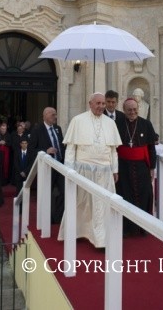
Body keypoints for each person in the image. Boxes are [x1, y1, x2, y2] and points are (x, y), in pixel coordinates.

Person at [58, 93, 121, 248]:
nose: (101, 106)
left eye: (103, 104)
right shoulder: (77, 120)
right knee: (81, 203)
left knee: (103, 205)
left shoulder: (110, 123)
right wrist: (69, 171)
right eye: (98, 103)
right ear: (90, 103)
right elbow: (71, 148)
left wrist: (115, 170)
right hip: (83, 170)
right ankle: (76, 232)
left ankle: (102, 239)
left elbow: (113, 150)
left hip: (104, 171)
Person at [116, 97, 157, 234]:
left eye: (134, 109)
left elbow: (151, 147)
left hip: (142, 168)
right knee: (125, 195)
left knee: (144, 195)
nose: (132, 112)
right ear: (124, 110)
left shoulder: (146, 124)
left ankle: (142, 228)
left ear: (138, 108)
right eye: (129, 110)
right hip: (123, 167)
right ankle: (126, 229)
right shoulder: (118, 123)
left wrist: (152, 167)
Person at [30, 107, 65, 223]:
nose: (55, 117)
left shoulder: (58, 129)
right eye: (53, 115)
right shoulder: (37, 130)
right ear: (45, 115)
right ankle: (46, 218)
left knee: (64, 191)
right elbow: (31, 150)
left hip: (60, 166)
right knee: (46, 193)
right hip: (47, 167)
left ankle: (58, 217)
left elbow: (62, 146)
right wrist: (46, 151)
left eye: (56, 114)